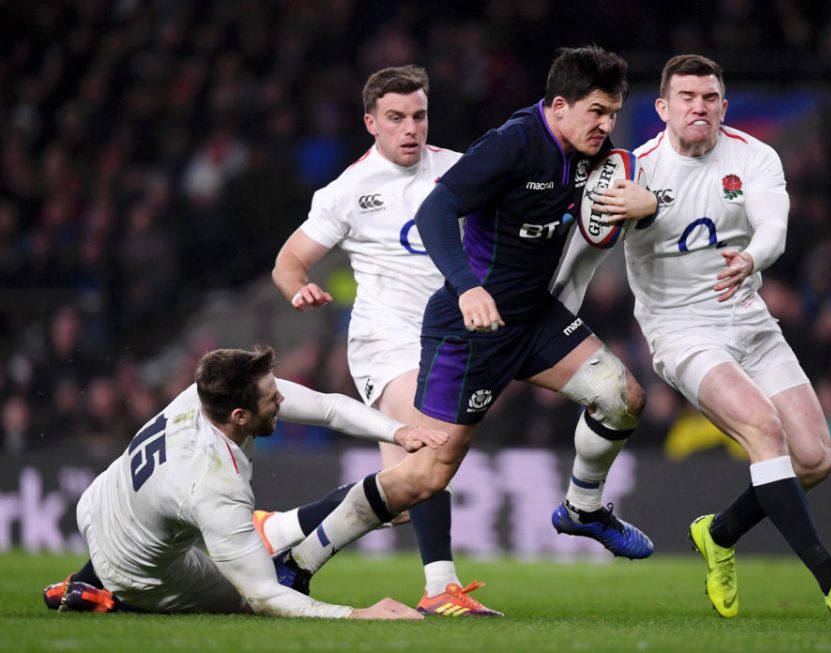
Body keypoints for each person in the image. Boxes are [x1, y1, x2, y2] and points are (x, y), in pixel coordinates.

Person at [266, 46, 661, 595]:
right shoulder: (510, 144)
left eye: (613, 113)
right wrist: (468, 287)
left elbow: (618, 195)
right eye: (598, 111)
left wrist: (650, 205)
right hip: (465, 330)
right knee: (424, 474)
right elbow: (434, 211)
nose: (607, 125)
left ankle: (583, 510)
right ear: (561, 105)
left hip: (530, 316)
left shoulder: (582, 149)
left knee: (623, 396)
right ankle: (298, 557)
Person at [553, 54, 831, 621]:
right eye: (686, 97)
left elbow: (774, 229)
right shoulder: (629, 169)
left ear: (723, 106)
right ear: (663, 108)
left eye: (709, 98)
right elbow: (582, 255)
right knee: (763, 427)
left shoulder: (755, 156)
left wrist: (750, 257)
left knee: (814, 458)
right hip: (681, 330)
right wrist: (552, 329)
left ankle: (720, 533)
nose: (699, 107)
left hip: (749, 318)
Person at [271, 65, 500, 617]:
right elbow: (288, 262)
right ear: (371, 122)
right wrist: (299, 288)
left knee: (403, 493)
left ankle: (280, 530)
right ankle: (441, 586)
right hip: (386, 340)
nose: (410, 128)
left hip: (447, 339)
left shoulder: (458, 171)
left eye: (418, 116)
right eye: (396, 118)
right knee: (429, 440)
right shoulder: (348, 190)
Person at [41, 346, 448, 618]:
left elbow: (326, 408)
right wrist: (359, 615)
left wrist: (400, 433)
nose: (282, 401)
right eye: (272, 399)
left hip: (97, 503)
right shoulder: (213, 481)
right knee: (243, 598)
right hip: (134, 571)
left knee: (234, 540)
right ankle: (108, 597)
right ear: (239, 415)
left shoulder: (206, 393)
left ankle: (82, 583)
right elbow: (263, 596)